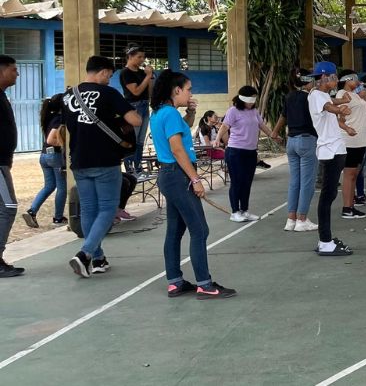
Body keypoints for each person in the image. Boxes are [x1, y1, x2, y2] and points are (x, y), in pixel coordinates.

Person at [149, 69, 236, 298]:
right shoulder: (169, 114)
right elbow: (177, 149)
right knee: (200, 229)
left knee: (175, 229)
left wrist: (190, 113)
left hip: (169, 176)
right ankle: (205, 285)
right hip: (178, 176)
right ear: (176, 90)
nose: (190, 93)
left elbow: (182, 129)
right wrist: (195, 179)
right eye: (188, 89)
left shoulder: (160, 112)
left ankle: (175, 282)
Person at [62, 55, 144, 277]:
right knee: (108, 208)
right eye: (109, 75)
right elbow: (135, 120)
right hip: (105, 159)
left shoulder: (68, 95)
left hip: (79, 160)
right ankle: (85, 254)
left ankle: (97, 259)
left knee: (89, 209)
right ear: (103, 71)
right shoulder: (108, 93)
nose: (109, 79)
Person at [215, 85, 279, 222]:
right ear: (242, 99)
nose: (252, 103)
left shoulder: (254, 111)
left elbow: (261, 125)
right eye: (250, 99)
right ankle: (235, 212)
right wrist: (217, 139)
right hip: (235, 151)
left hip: (251, 152)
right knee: (237, 182)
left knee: (247, 182)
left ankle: (245, 210)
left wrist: (272, 135)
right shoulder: (233, 111)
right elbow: (225, 126)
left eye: (254, 99)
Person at [310, 61, 353, 256]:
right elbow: (329, 107)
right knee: (327, 196)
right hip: (330, 151)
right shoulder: (316, 95)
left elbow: (331, 101)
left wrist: (343, 101)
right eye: (334, 77)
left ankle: (325, 239)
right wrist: (341, 109)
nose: (336, 81)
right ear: (324, 77)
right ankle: (325, 242)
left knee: (329, 195)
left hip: (334, 149)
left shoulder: (323, 94)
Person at [275, 69, 318, 232]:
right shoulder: (311, 97)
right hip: (306, 140)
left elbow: (283, 116)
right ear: (309, 82)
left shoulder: (289, 96)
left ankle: (291, 219)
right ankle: (302, 219)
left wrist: (274, 132)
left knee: (295, 181)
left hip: (291, 141)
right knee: (307, 182)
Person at [22, 94, 68, 228]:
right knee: (62, 188)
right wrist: (66, 145)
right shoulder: (59, 119)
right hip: (55, 157)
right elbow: (51, 139)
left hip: (44, 156)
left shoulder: (49, 118)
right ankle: (58, 218)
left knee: (49, 186)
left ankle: (32, 211)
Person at [335, 70, 366, 220]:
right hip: (350, 141)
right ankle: (347, 208)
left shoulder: (355, 95)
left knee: (354, 174)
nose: (357, 81)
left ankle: (351, 205)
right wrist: (347, 128)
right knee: (349, 174)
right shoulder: (342, 94)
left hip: (360, 140)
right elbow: (339, 118)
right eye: (354, 78)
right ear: (347, 79)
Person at [0, 56, 22, 278]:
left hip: (3, 161)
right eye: (14, 70)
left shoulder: (2, 96)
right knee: (8, 207)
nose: (17, 74)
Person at [119, 44, 154, 176]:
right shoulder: (125, 73)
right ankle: (129, 169)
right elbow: (136, 91)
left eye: (143, 57)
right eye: (139, 57)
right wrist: (147, 77)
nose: (142, 60)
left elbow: (148, 92)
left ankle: (138, 167)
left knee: (140, 140)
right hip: (133, 107)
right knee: (131, 138)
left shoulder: (142, 72)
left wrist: (150, 77)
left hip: (144, 105)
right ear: (130, 56)